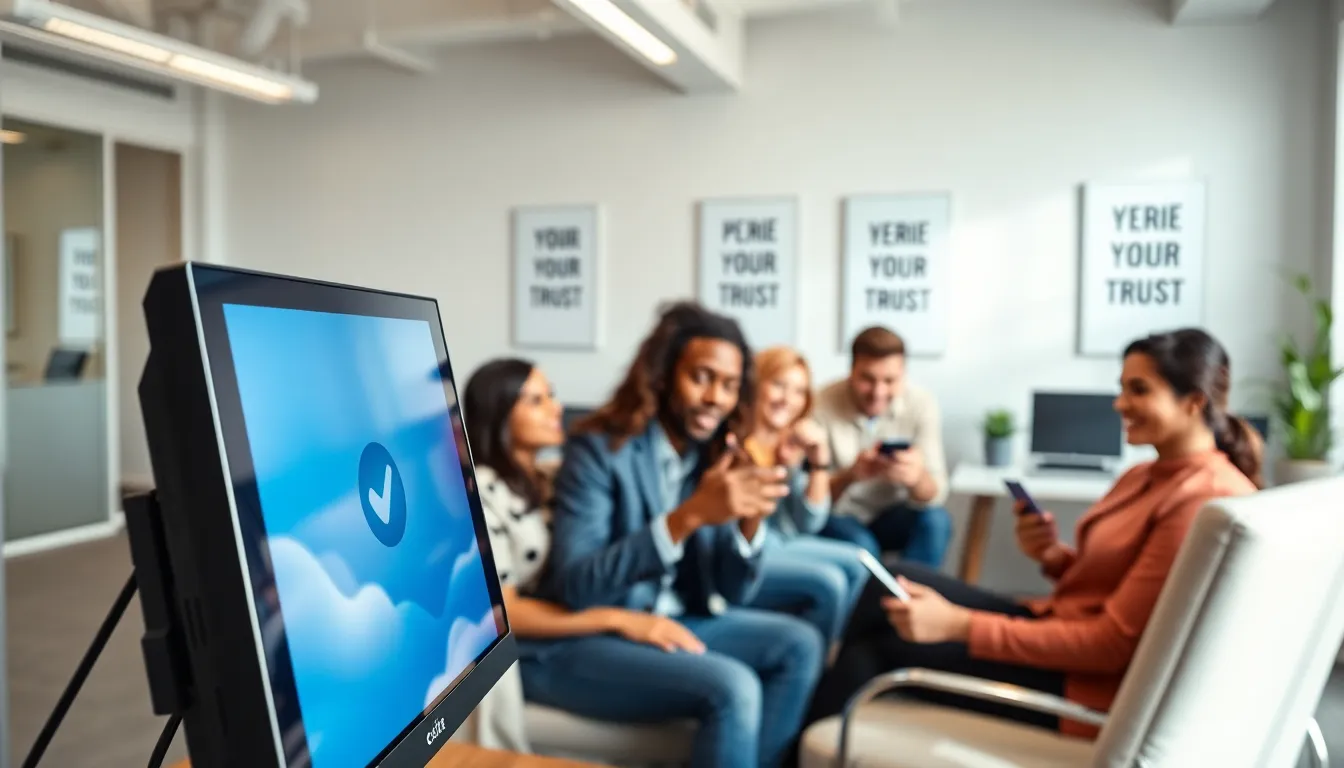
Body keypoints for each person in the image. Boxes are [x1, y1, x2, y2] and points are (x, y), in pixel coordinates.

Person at [805, 328, 1263, 740]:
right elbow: (1116, 589)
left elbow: (1110, 645)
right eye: (1122, 388)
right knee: (890, 581)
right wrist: (1052, 557)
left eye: (1138, 390)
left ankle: (798, 749)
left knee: (876, 645)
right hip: (1061, 624)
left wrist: (957, 625)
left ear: (1194, 402)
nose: (1119, 403)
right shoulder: (1146, 474)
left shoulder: (1200, 499)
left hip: (1088, 684)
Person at [536, 302, 825, 768]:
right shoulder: (600, 449)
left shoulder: (709, 455)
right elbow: (575, 586)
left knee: (799, 645)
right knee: (733, 688)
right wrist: (687, 517)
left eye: (730, 386)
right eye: (702, 377)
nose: (716, 398)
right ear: (664, 374)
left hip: (675, 618)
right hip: (593, 634)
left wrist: (749, 523)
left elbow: (729, 592)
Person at [453, 358, 718, 752]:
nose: (556, 408)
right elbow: (504, 611)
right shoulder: (483, 494)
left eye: (553, 396)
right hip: (531, 641)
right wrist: (616, 619)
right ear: (499, 412)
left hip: (575, 618)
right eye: (536, 401)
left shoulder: (550, 477)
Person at [743, 346, 869, 652]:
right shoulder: (737, 441)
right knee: (830, 581)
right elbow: (748, 525)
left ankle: (833, 657)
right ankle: (816, 663)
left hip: (784, 542)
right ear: (756, 384)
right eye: (778, 385)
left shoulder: (787, 440)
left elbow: (810, 522)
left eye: (798, 391)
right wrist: (777, 468)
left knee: (859, 561)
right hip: (752, 549)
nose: (788, 399)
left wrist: (818, 461)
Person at [812, 326, 951, 567]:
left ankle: (914, 597)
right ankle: (880, 603)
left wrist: (916, 478)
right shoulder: (819, 404)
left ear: (903, 375)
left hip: (894, 513)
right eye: (867, 379)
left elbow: (936, 493)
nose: (879, 392)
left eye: (889, 380)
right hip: (841, 514)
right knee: (864, 548)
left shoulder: (921, 404)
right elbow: (807, 502)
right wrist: (850, 476)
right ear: (851, 372)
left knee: (937, 521)